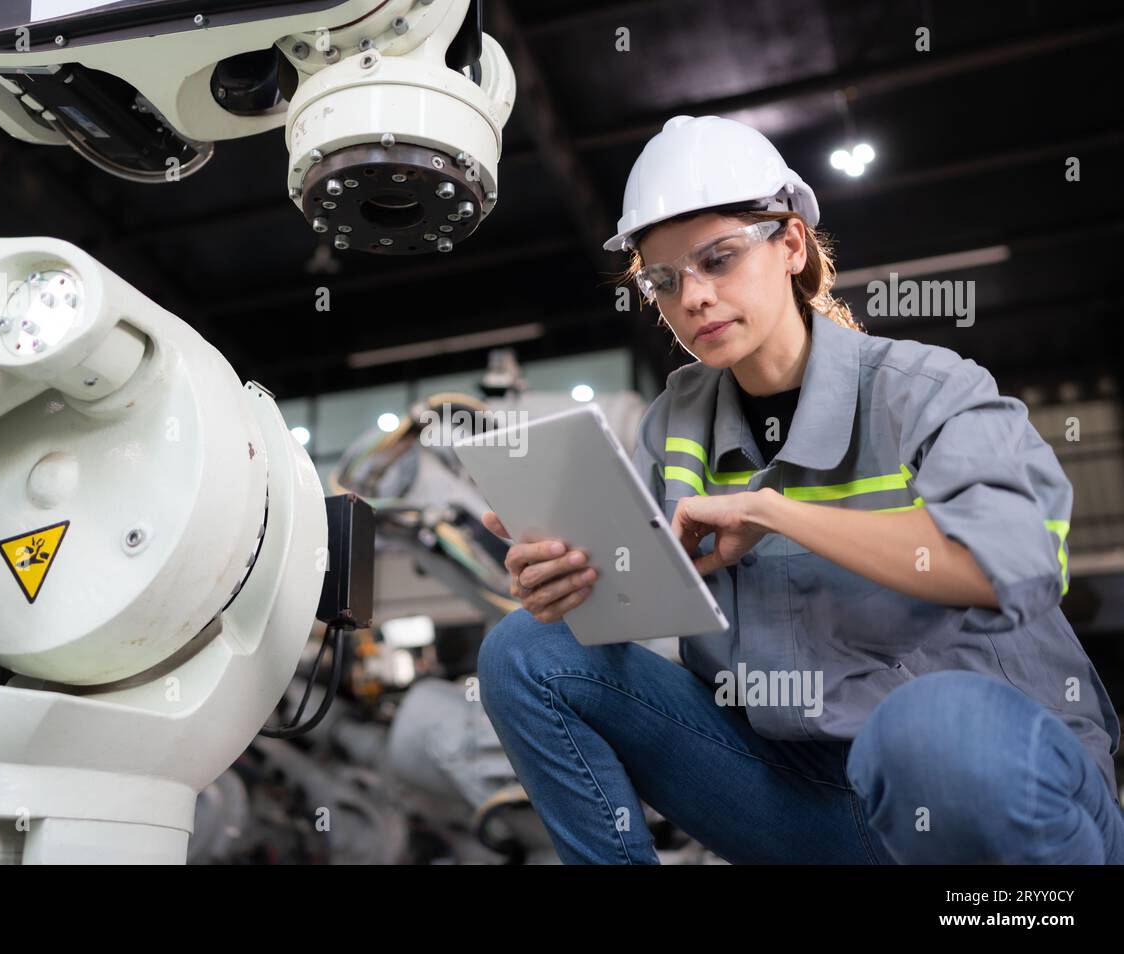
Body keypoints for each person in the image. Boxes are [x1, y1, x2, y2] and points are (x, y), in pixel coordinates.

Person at [475, 115, 1123, 864]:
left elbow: (1014, 563)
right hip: (816, 803)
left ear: (789, 244)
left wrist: (777, 512)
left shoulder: (924, 390)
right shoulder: (672, 430)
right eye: (663, 280)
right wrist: (573, 580)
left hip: (998, 804)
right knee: (528, 649)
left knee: (932, 732)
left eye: (717, 259)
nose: (692, 298)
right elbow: (647, 605)